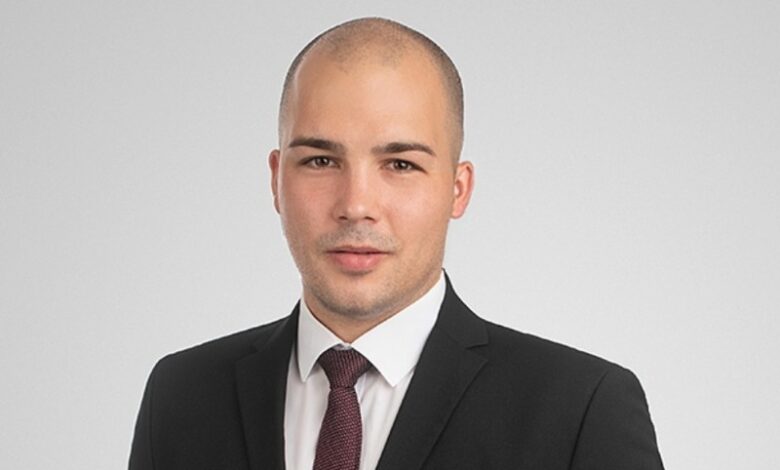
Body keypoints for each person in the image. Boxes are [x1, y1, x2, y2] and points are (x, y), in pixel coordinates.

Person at [129, 17, 664, 470]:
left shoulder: (580, 410)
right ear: (276, 180)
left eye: (401, 164)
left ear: (458, 189)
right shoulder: (182, 395)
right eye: (320, 160)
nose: (356, 204)